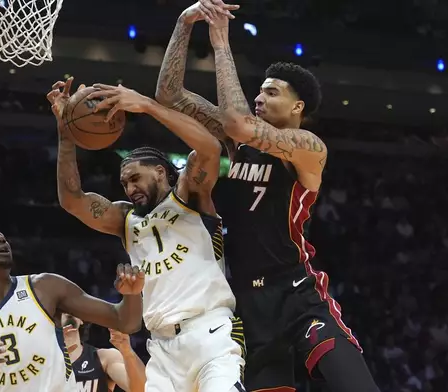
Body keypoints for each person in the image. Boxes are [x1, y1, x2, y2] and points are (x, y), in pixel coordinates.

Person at [155, 2, 380, 391]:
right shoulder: (237, 140)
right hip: (244, 299)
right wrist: (183, 23)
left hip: (297, 291)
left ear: (297, 107)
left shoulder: (308, 147)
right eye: (258, 90)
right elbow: (169, 93)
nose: (259, 98)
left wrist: (221, 41)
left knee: (355, 384)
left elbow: (239, 123)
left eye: (270, 92)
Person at [49, 78, 246, 392]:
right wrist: (66, 132)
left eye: (135, 178)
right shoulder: (124, 218)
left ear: (160, 172)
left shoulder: (189, 193)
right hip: (162, 348)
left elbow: (209, 148)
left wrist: (147, 105)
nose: (130, 188)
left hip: (210, 332)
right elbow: (73, 200)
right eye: (125, 183)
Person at [0, 217, 144, 392]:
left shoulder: (45, 287)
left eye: (0, 235)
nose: (0, 239)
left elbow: (125, 322)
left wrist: (132, 295)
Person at [62, 313, 146, 392]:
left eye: (72, 309)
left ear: (81, 320)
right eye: (60, 310)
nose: (67, 312)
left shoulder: (105, 357)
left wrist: (127, 352)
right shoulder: (49, 361)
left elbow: (142, 389)